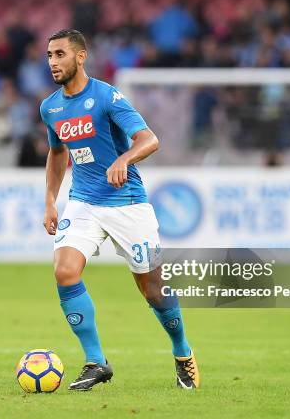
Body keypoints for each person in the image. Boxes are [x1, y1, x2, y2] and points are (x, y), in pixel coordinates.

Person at [39, 29, 200, 391]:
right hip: (82, 202)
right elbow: (57, 152)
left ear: (81, 57)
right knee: (65, 271)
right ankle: (96, 362)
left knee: (153, 291)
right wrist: (51, 199)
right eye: (49, 55)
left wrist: (124, 159)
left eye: (60, 54)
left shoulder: (107, 96)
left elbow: (149, 139)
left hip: (126, 202)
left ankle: (182, 353)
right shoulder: (50, 107)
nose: (52, 62)